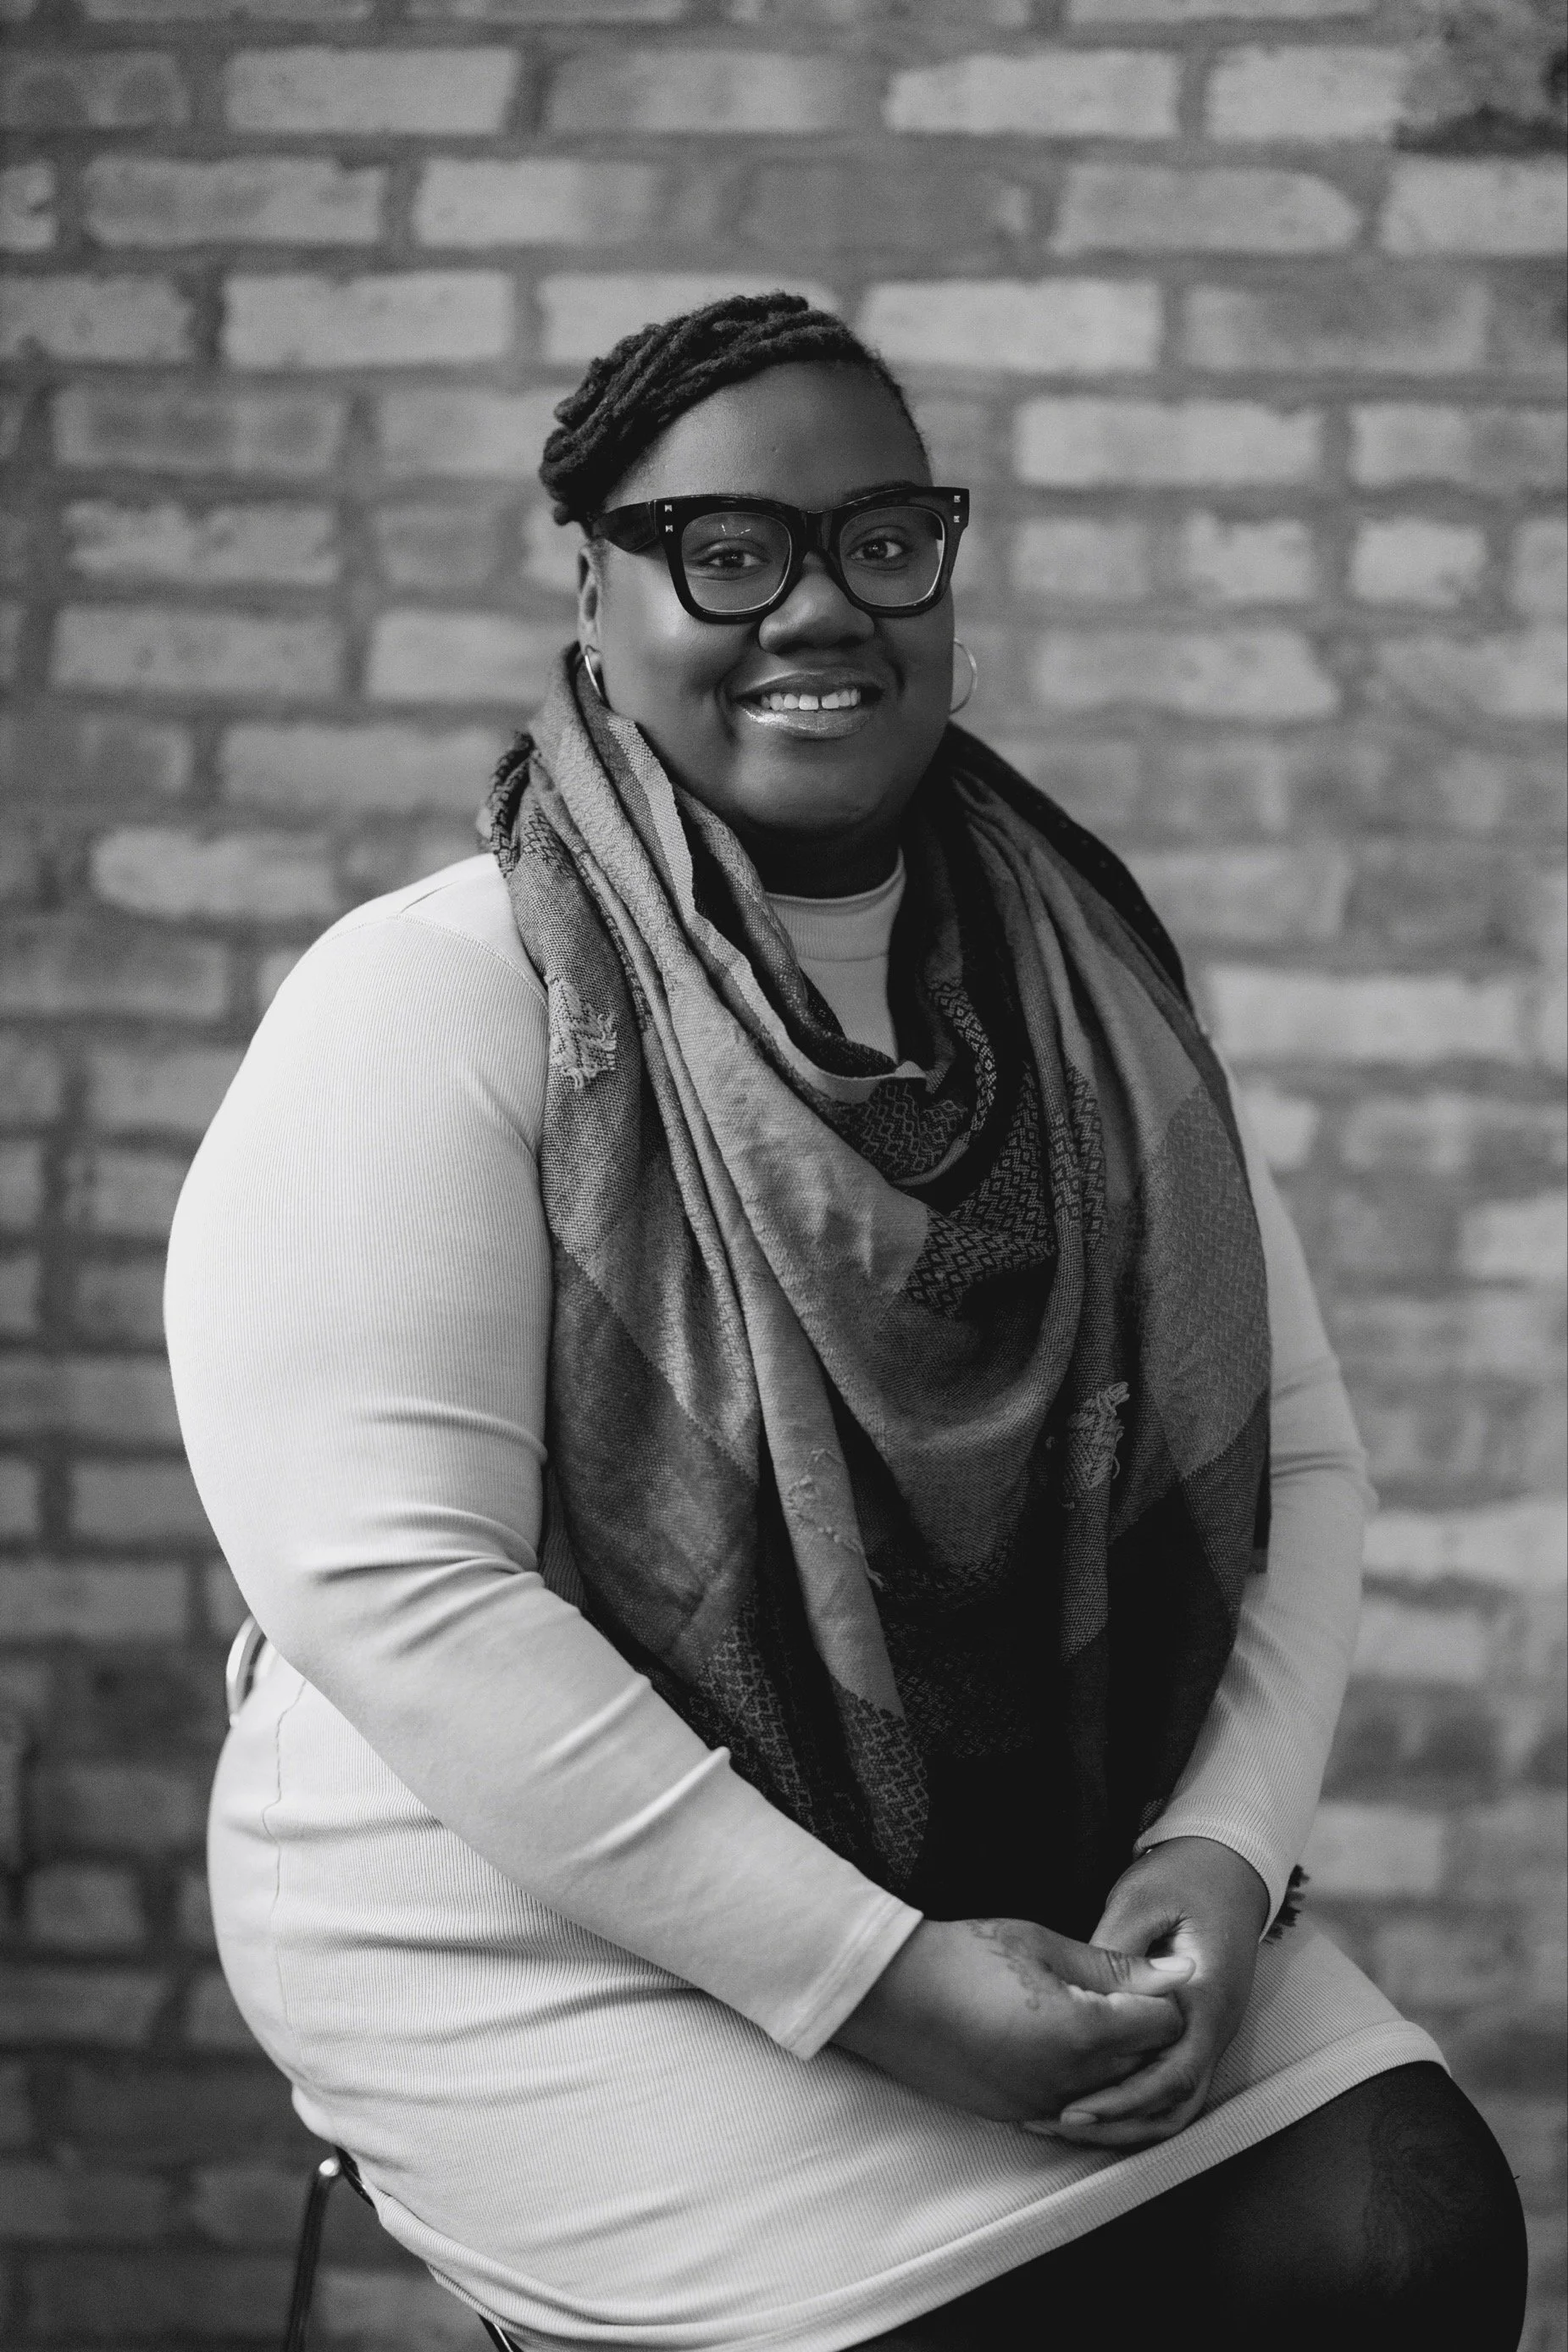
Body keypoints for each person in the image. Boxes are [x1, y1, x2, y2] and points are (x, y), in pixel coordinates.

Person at [165, 293, 1526, 2352]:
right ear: (598, 587)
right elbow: (398, 1585)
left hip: (1035, 1853)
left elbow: (1296, 1460)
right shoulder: (436, 994)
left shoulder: (1088, 1012)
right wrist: (879, 1981)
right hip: (526, 1912)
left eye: (883, 539)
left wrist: (1224, 1853)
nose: (819, 605)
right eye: (728, 548)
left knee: (1404, 2235)